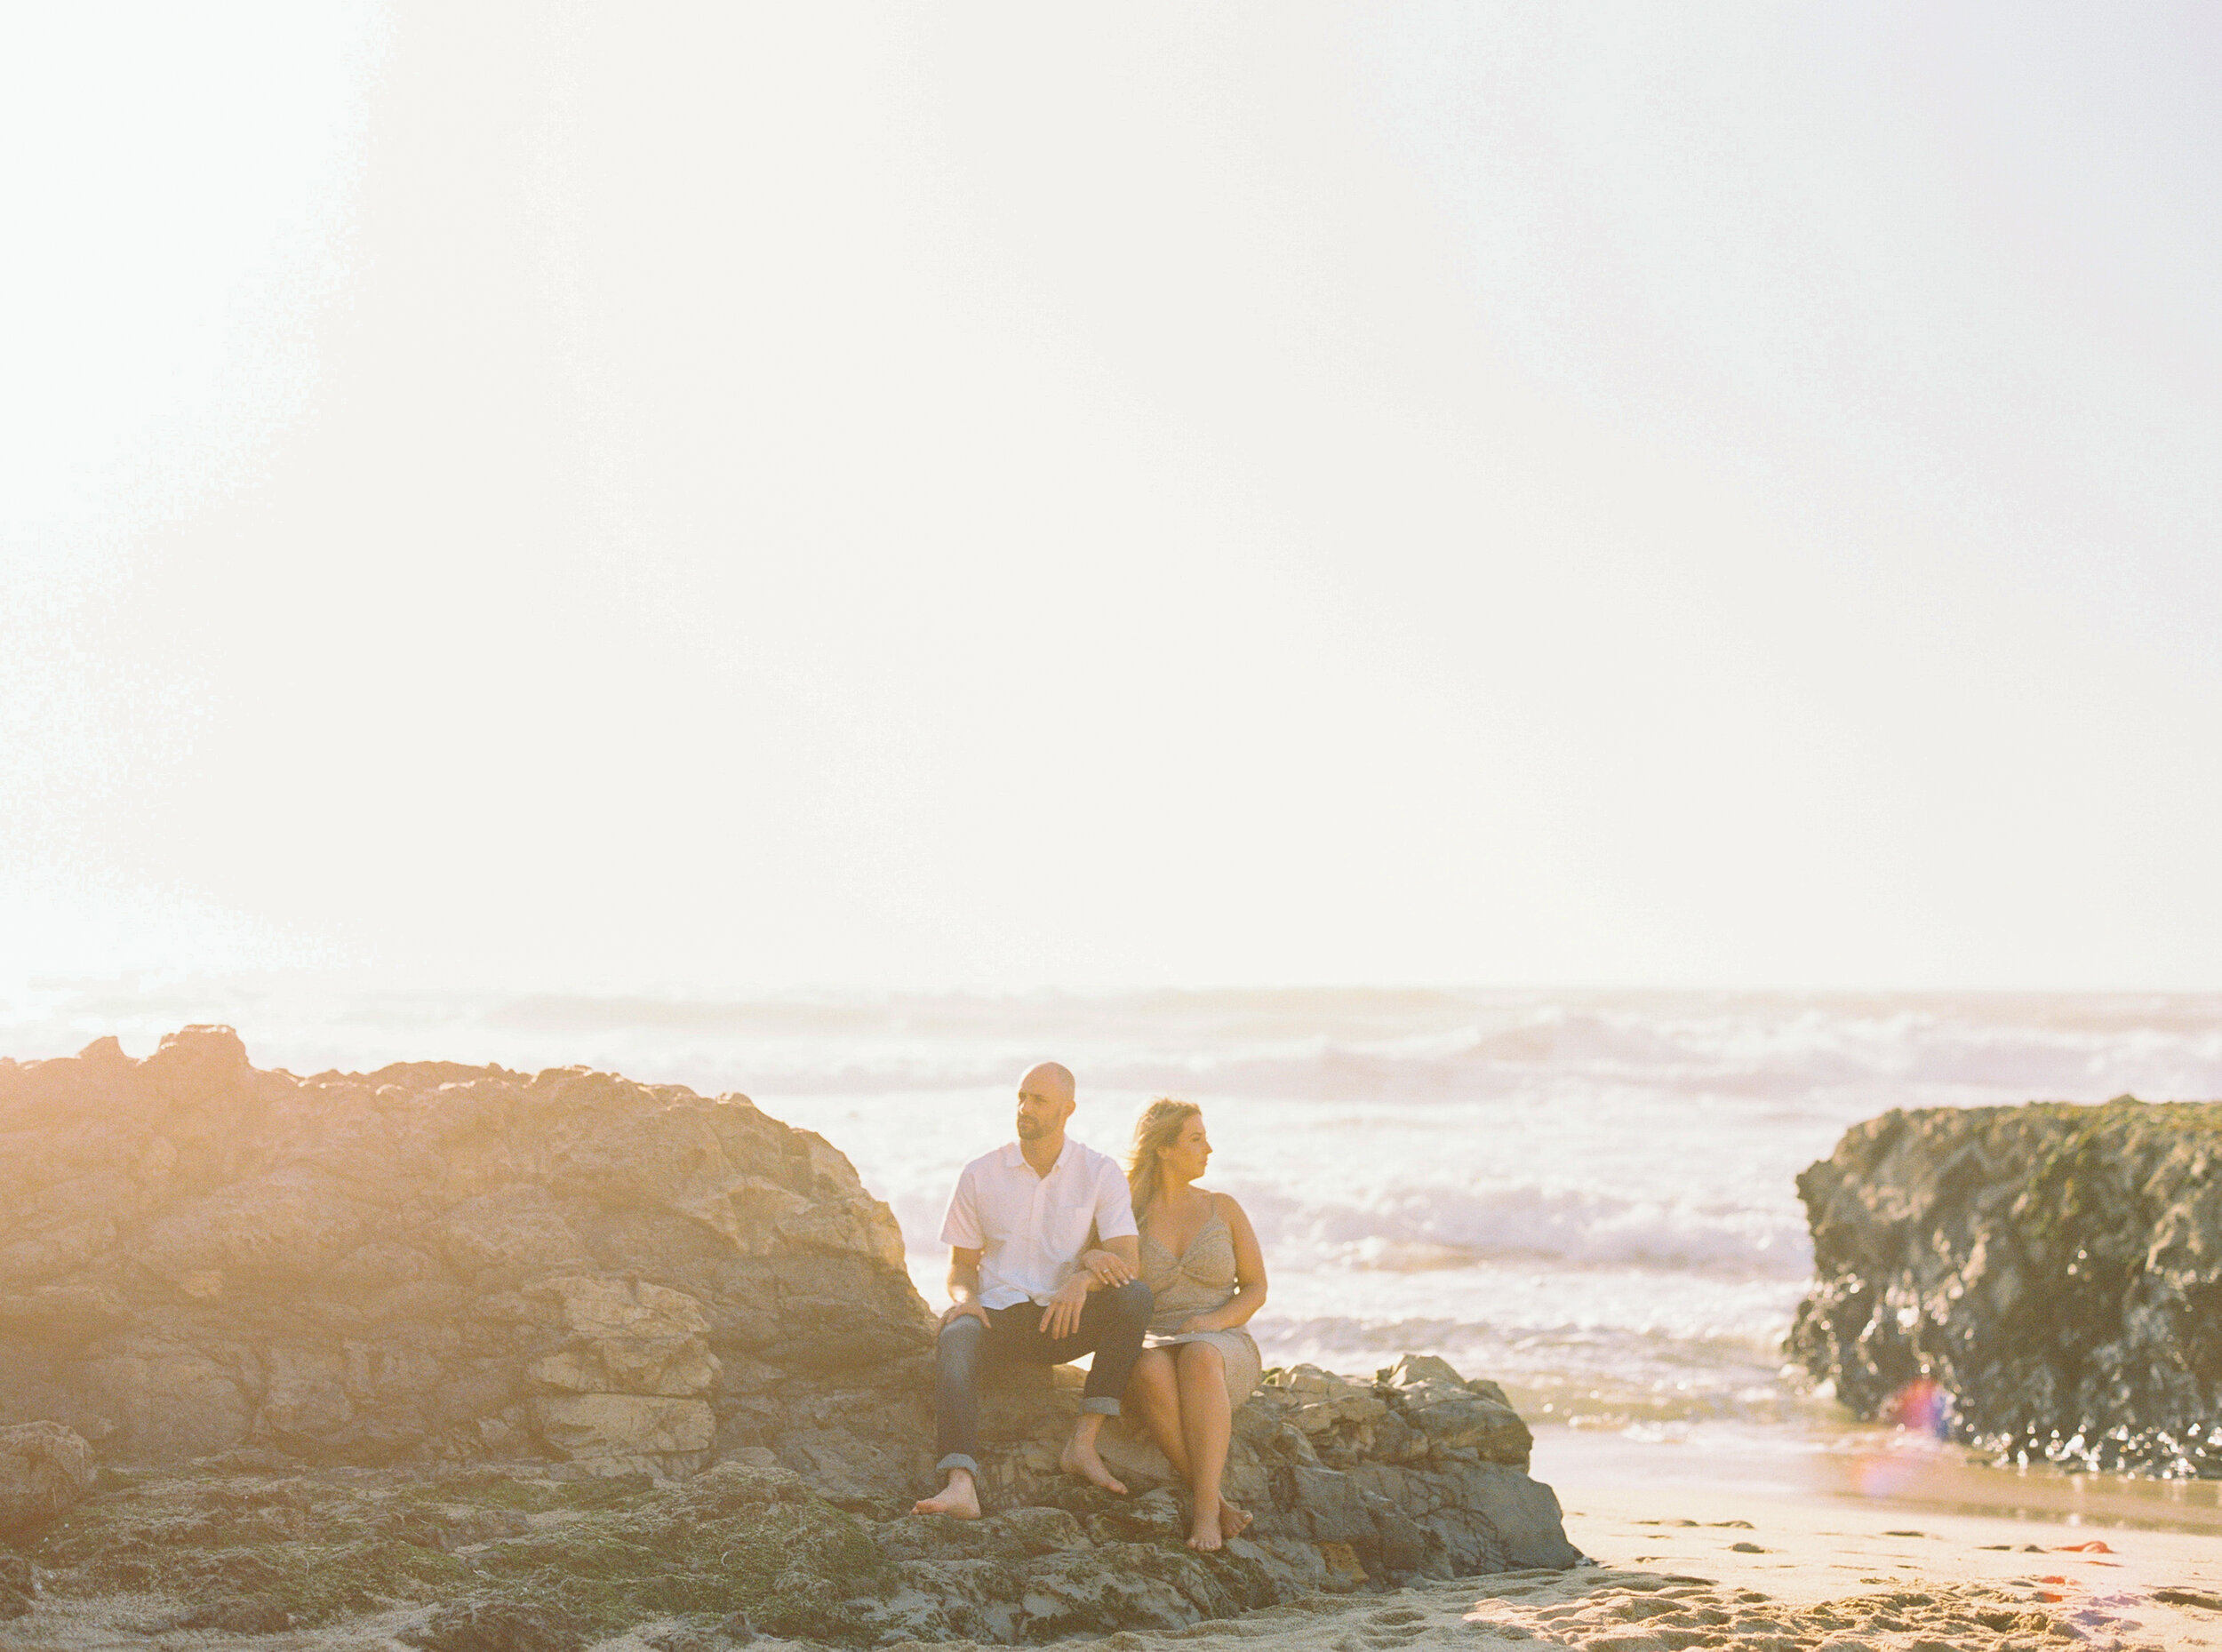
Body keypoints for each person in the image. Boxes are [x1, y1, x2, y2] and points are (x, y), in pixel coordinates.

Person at [913, 1062, 1154, 1520]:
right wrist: (966, 1299)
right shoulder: (980, 1173)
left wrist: (1082, 1279)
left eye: (1038, 1100)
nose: (1025, 1108)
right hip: (999, 1318)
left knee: (1134, 1297)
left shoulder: (1099, 1172)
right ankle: (960, 1484)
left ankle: (1083, 1444)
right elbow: (962, 1266)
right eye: (1021, 1097)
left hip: (1065, 1320)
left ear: (1068, 1109)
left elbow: (1128, 1261)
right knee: (955, 1338)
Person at [1119, 1097, 1267, 1551]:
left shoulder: (1223, 1207)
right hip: (1156, 1338)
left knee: (1200, 1356)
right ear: (1164, 1149)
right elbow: (1099, 1266)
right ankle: (1219, 1500)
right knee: (1147, 1368)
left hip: (1223, 1341)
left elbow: (1257, 1287)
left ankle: (1205, 1513)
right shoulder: (1129, 1214)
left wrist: (1212, 1320)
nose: (1209, 1149)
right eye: (1196, 1139)